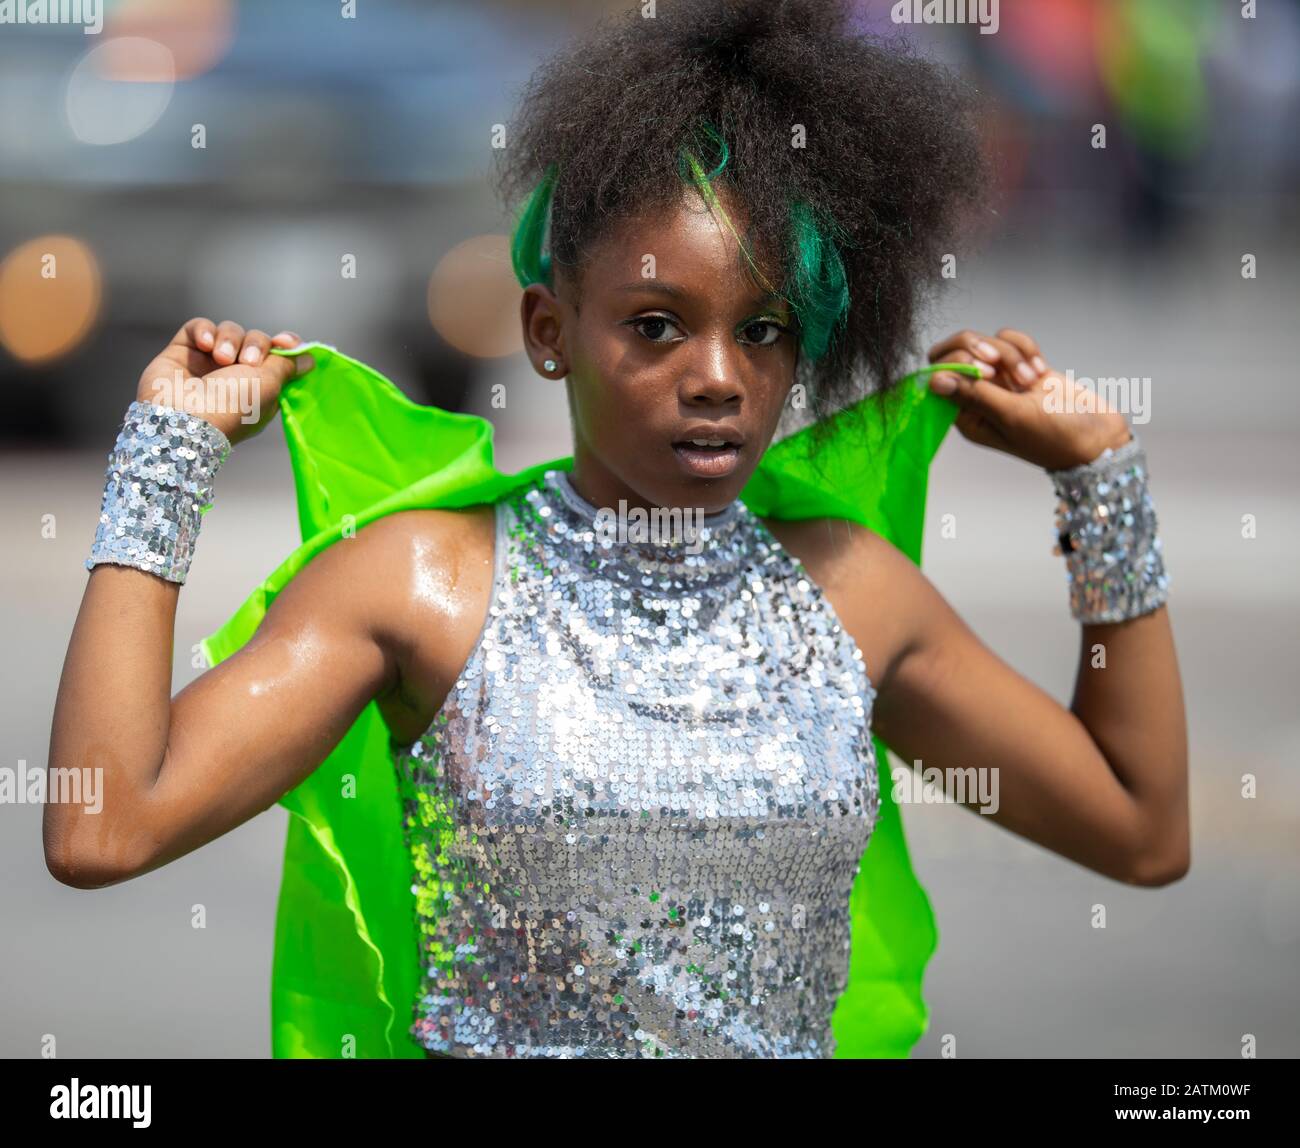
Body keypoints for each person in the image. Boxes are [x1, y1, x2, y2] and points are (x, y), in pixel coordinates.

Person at [44, 0, 1187, 1059]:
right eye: (656, 324)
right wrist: (167, 453)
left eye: (766, 330)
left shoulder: (849, 593)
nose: (716, 378)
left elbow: (1138, 829)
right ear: (550, 328)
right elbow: (105, 829)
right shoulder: (426, 585)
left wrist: (1101, 483)